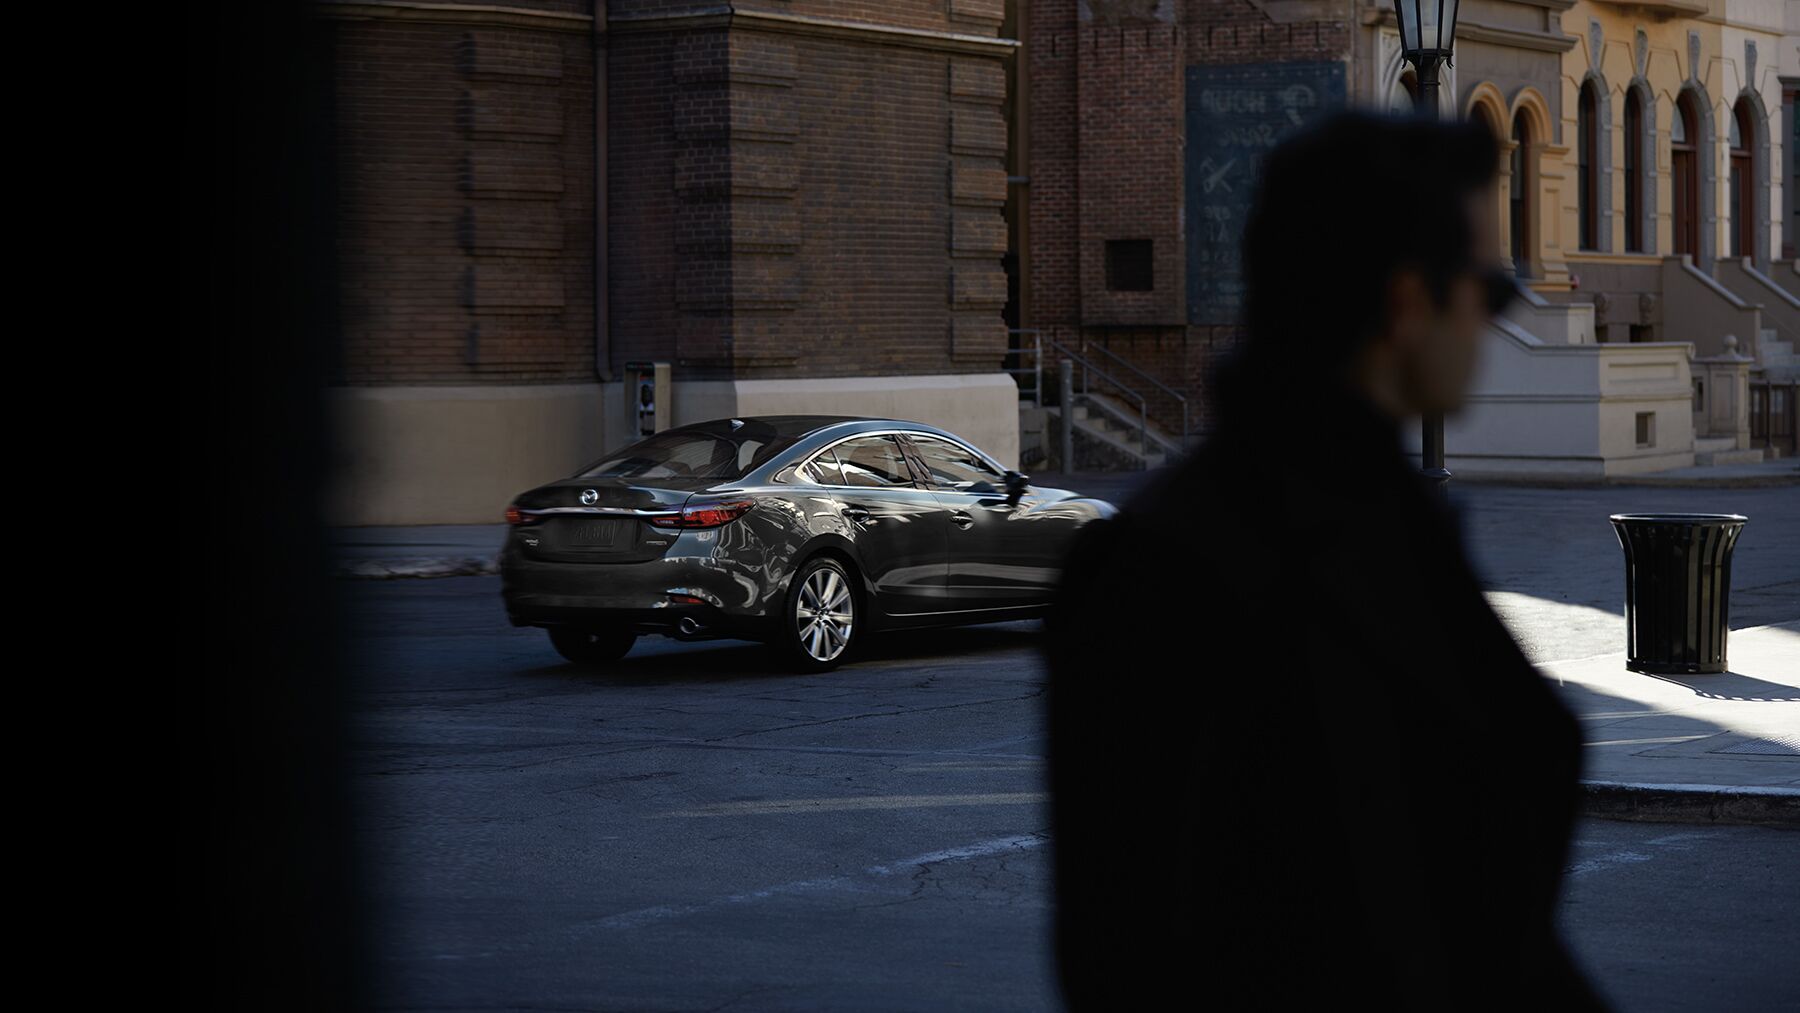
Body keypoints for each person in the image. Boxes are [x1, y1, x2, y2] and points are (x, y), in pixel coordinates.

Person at [1043, 111, 1610, 1010]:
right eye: (1489, 290)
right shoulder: (1180, 566)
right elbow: (1139, 952)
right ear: (1406, 302)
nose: (1496, 320)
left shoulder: (1380, 517)